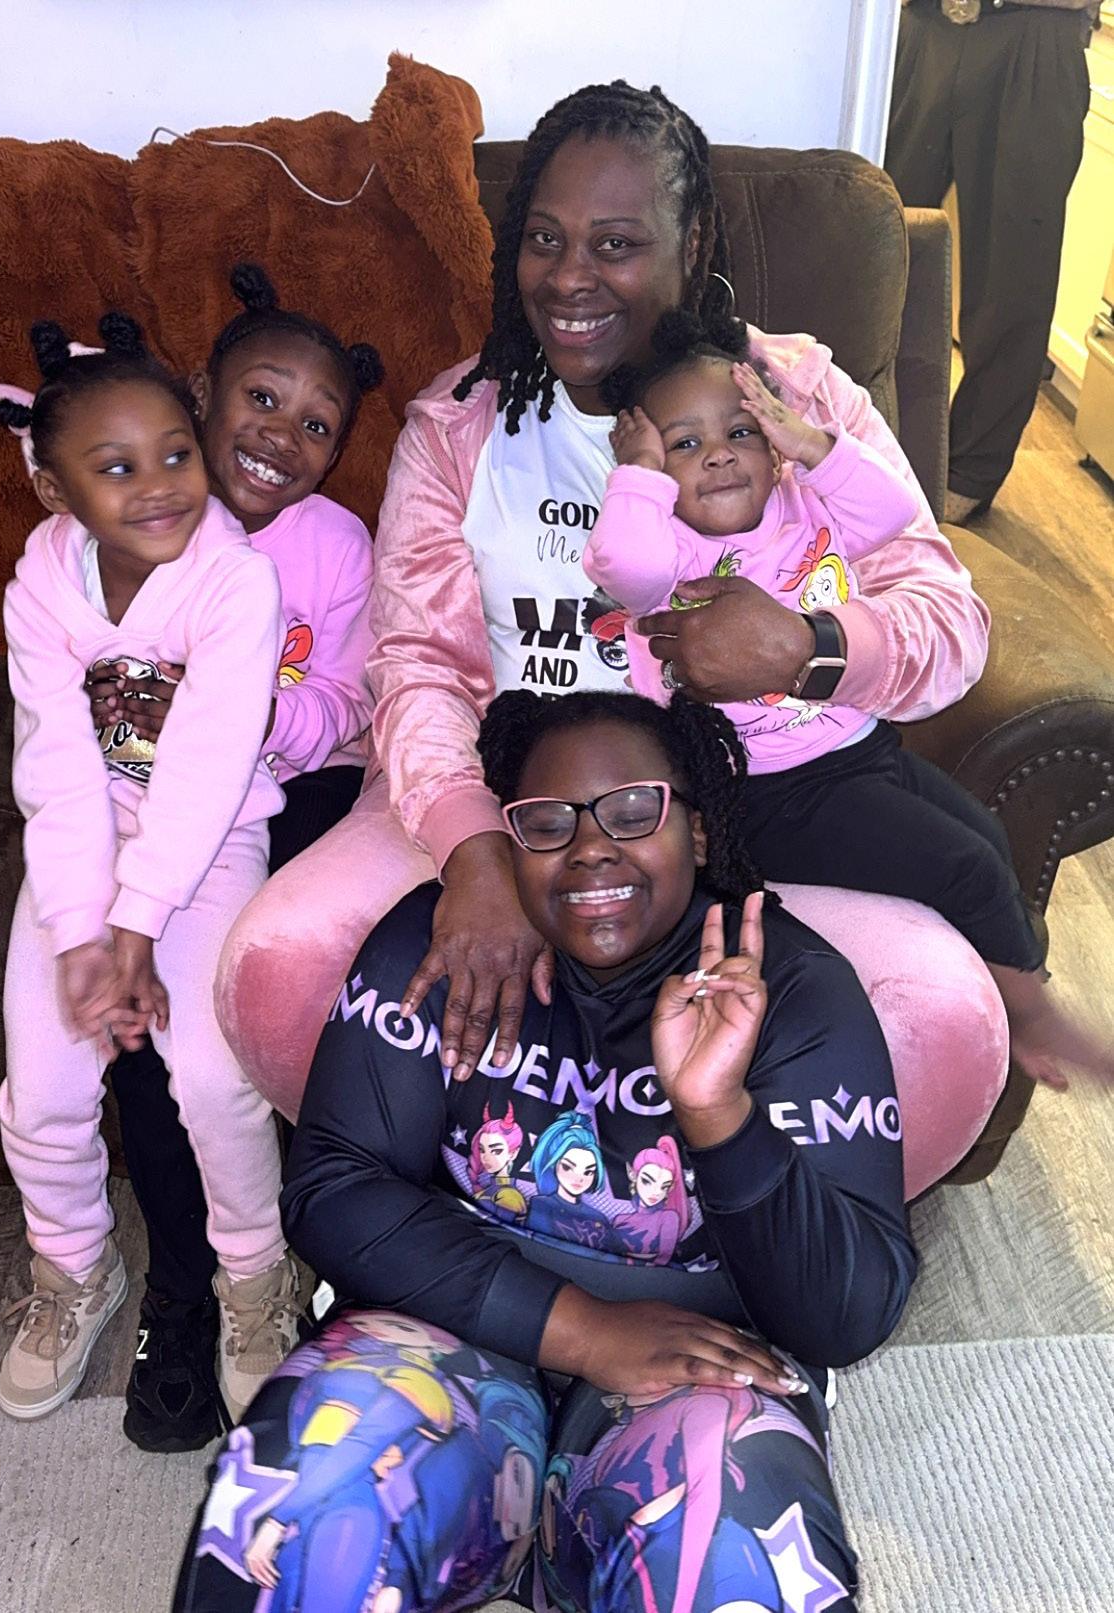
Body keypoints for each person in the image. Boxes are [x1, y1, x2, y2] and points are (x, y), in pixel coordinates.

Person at [216, 79, 1003, 1195]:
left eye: (617, 243)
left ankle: (692, 1231)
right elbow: (418, 669)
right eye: (545, 239)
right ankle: (497, 1214)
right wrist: (476, 854)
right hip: (496, 794)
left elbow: (951, 624)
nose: (569, 277)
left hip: (743, 807)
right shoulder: (459, 426)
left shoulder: (787, 397)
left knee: (947, 1025)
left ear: (695, 242)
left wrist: (807, 648)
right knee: (277, 970)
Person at [173, 688, 917, 1613]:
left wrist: (720, 1115)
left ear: (699, 831)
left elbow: (849, 1313)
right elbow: (331, 1188)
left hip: (694, 1376)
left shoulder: (792, 990)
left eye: (634, 810)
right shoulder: (441, 948)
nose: (592, 846)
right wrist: (584, 1330)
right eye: (549, 822)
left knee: (745, 1566)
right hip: (447, 1339)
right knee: (282, 1523)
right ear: (510, 840)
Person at [584, 311, 1105, 1089]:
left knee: (986, 835)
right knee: (965, 865)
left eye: (740, 432)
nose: (718, 454)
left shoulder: (802, 501)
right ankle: (1034, 1014)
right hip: (770, 796)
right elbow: (620, 564)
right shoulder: (668, 549)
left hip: (859, 750)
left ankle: (1011, 974)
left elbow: (891, 512)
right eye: (684, 445)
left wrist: (811, 444)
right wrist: (638, 476)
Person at [80, 265, 383, 1451]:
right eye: (261, 399)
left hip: (293, 787)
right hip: (155, 802)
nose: (281, 436)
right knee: (143, 1017)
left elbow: (346, 701)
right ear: (199, 393)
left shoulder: (336, 543)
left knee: (271, 987)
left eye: (317, 424)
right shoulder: (133, 516)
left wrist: (246, 710)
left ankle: (298, 1255)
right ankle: (180, 1283)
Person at [0, 313, 295, 1427]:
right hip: (84, 856)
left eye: (175, 452)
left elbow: (208, 768)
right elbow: (58, 771)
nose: (161, 485)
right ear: (54, 489)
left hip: (204, 849)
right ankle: (73, 1265)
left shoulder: (237, 581)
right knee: (44, 1084)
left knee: (213, 1076)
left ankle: (256, 1273)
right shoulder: (38, 587)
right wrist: (86, 931)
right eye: (115, 468)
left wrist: (141, 927)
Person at [883, 0, 1095, 524]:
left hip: (1036, 36)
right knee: (872, 239)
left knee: (1012, 273)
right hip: (924, 26)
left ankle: (971, 469)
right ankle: (856, 431)